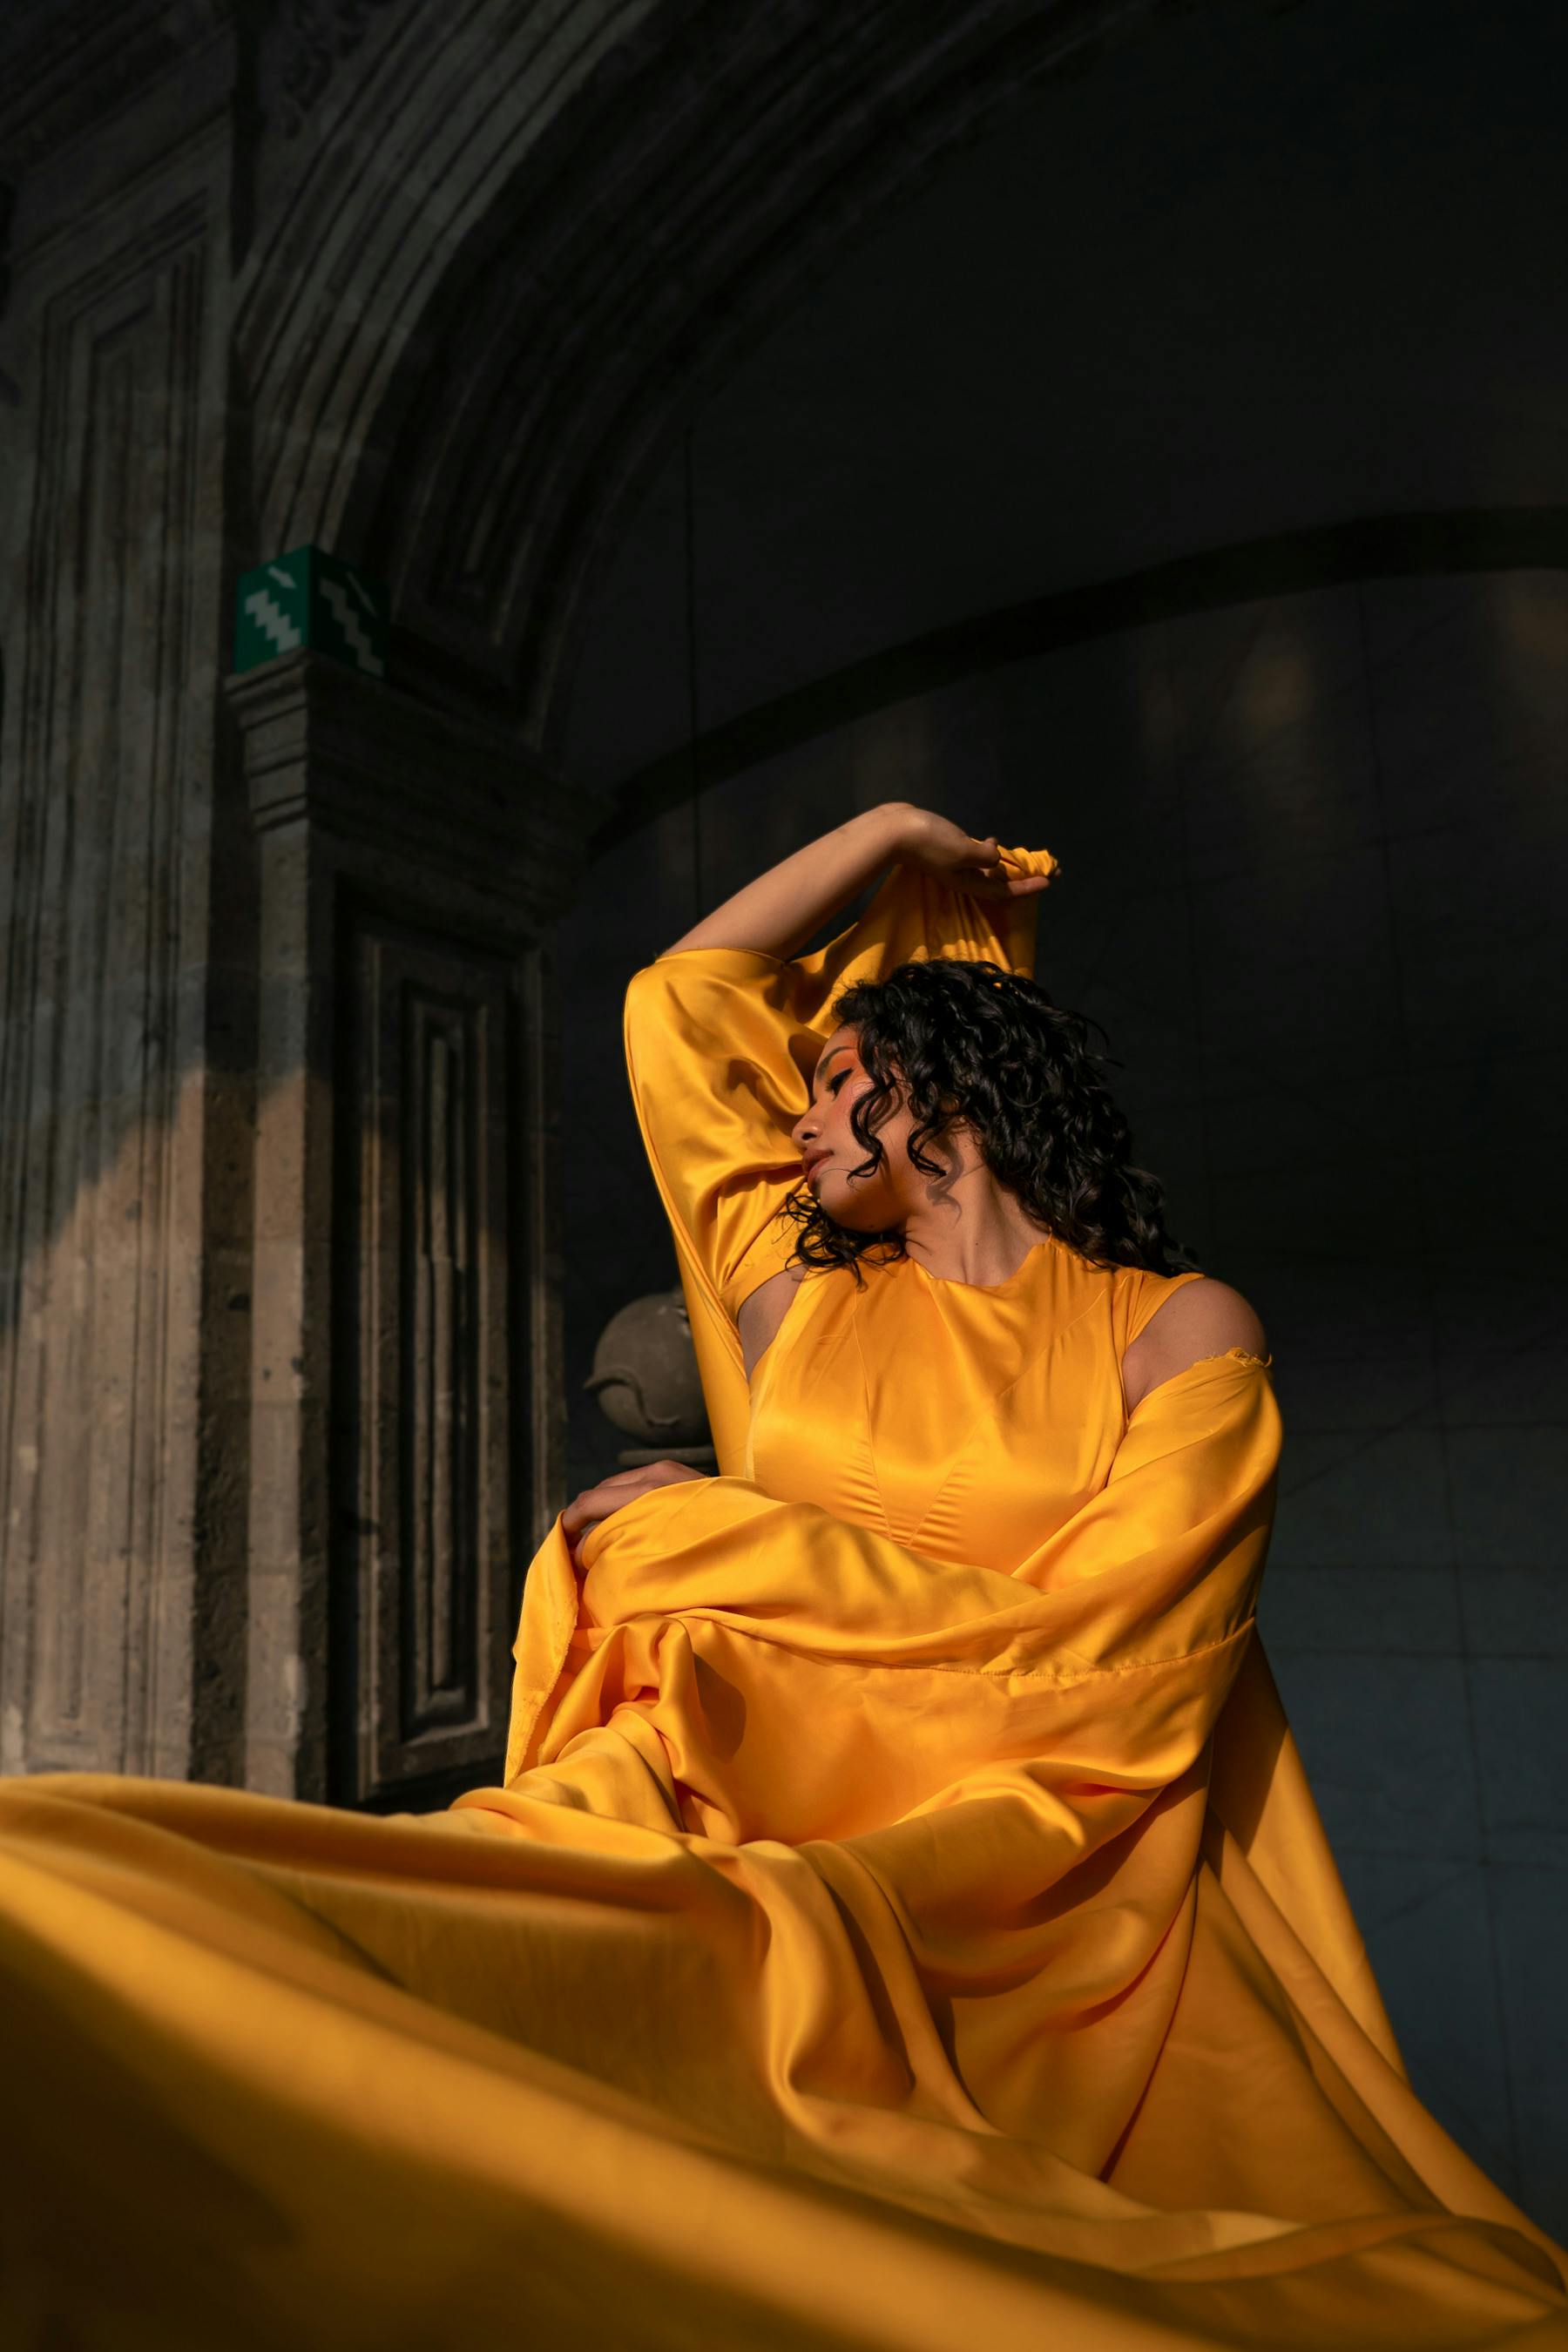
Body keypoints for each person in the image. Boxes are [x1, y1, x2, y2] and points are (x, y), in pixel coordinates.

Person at [0, 802, 1563, 2352]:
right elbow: (679, 1003)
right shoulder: (788, 1302)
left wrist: (722, 1536)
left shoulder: (1176, 1328)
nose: (801, 1119)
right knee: (241, 1948)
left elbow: (1116, 1657)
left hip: (1048, 1893)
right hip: (713, 1787)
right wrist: (885, 833)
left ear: (939, 1092)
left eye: (835, 1079)